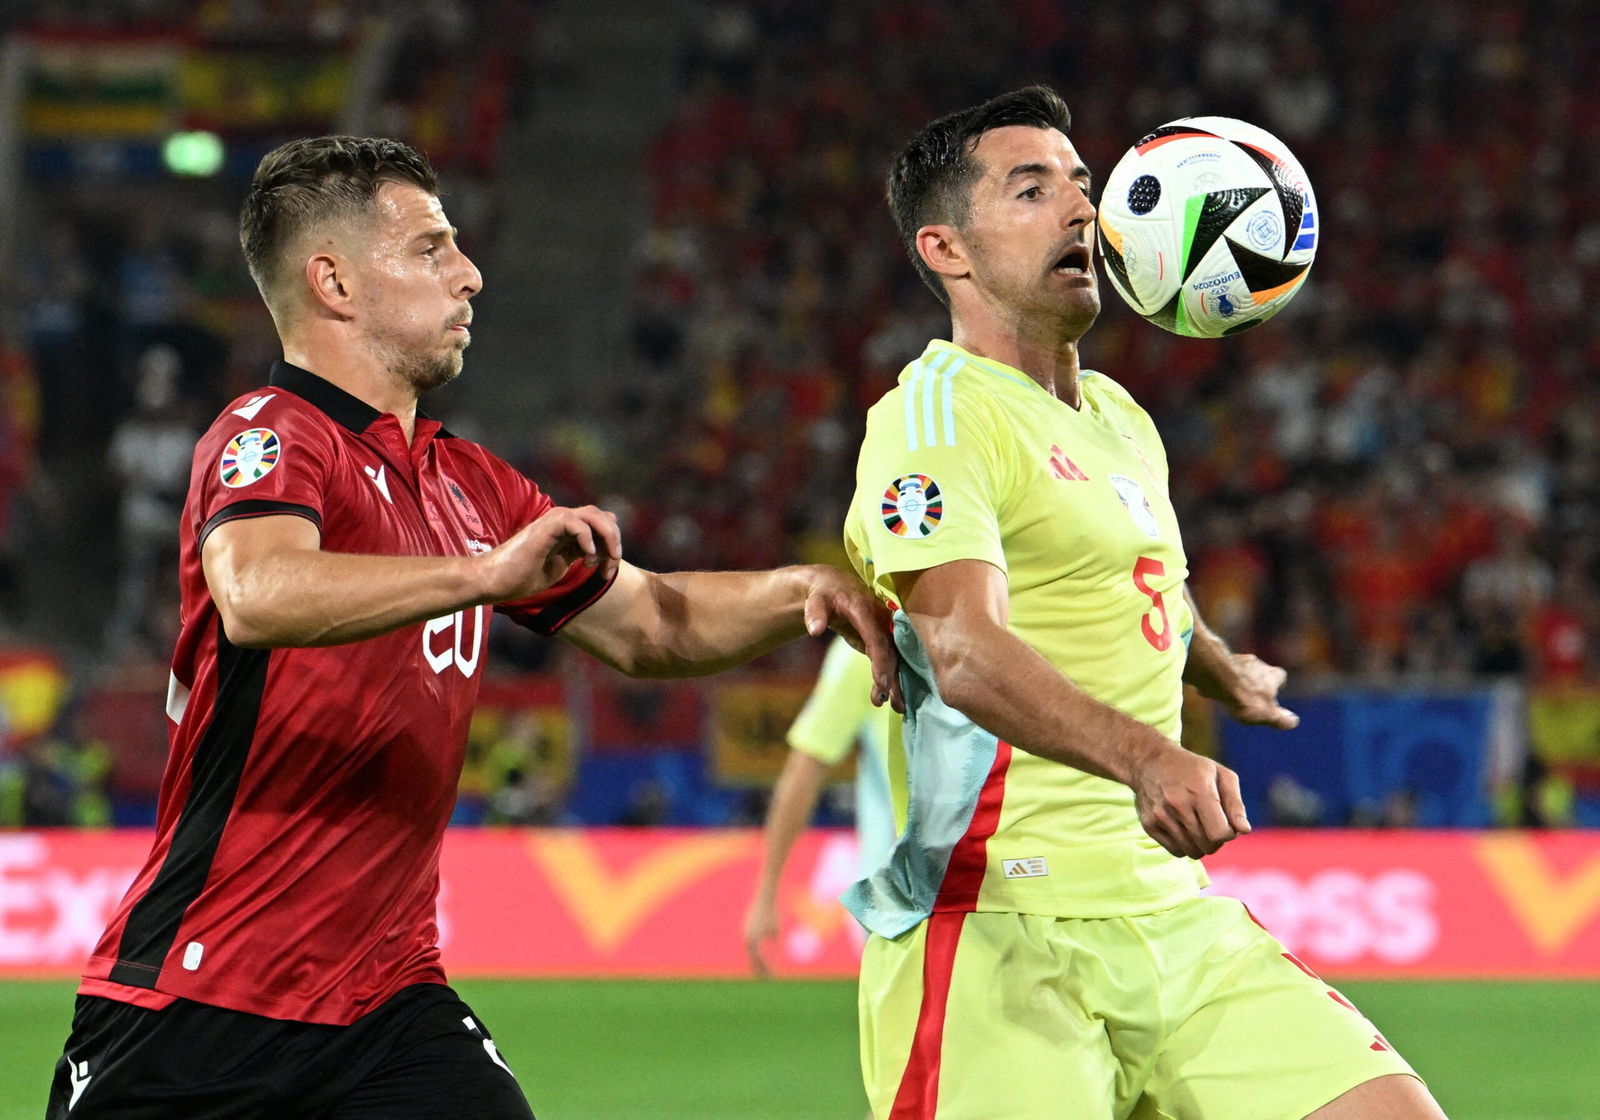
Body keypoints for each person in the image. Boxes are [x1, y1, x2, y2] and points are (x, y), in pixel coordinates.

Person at [45, 135, 899, 1120]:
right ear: (334, 282)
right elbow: (256, 590)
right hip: (200, 1000)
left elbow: (651, 625)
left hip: (387, 1003)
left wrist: (801, 592)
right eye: (430, 248)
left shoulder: (470, 484)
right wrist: (481, 575)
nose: (470, 273)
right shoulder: (269, 435)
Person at [842, 87, 1449, 1120]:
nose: (1083, 208)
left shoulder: (1120, 415)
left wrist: (1214, 662)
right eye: (1031, 189)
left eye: (1082, 183)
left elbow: (1137, 576)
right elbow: (963, 647)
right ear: (945, 250)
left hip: (1170, 910)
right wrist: (1146, 758)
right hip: (1000, 927)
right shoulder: (934, 420)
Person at [742, 637, 900, 974]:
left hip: (946, 882)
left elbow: (803, 770)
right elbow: (804, 770)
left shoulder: (864, 650)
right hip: (899, 893)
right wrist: (767, 894)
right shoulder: (862, 653)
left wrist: (767, 894)